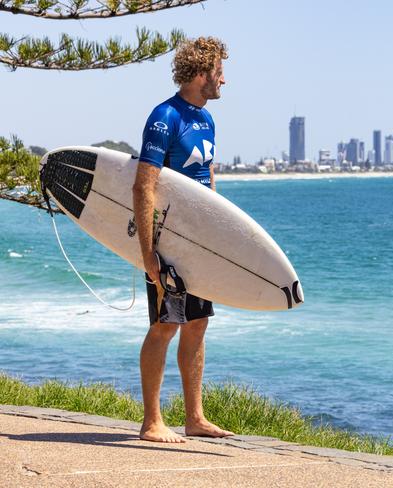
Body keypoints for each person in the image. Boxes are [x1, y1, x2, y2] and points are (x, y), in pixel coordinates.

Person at [132, 37, 234, 443]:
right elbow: (144, 188)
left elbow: (206, 179)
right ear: (200, 73)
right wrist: (148, 255)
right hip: (168, 241)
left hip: (198, 242)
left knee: (197, 323)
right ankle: (151, 422)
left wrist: (220, 234)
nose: (224, 80)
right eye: (219, 72)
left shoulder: (206, 119)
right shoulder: (164, 117)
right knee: (164, 325)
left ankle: (195, 417)